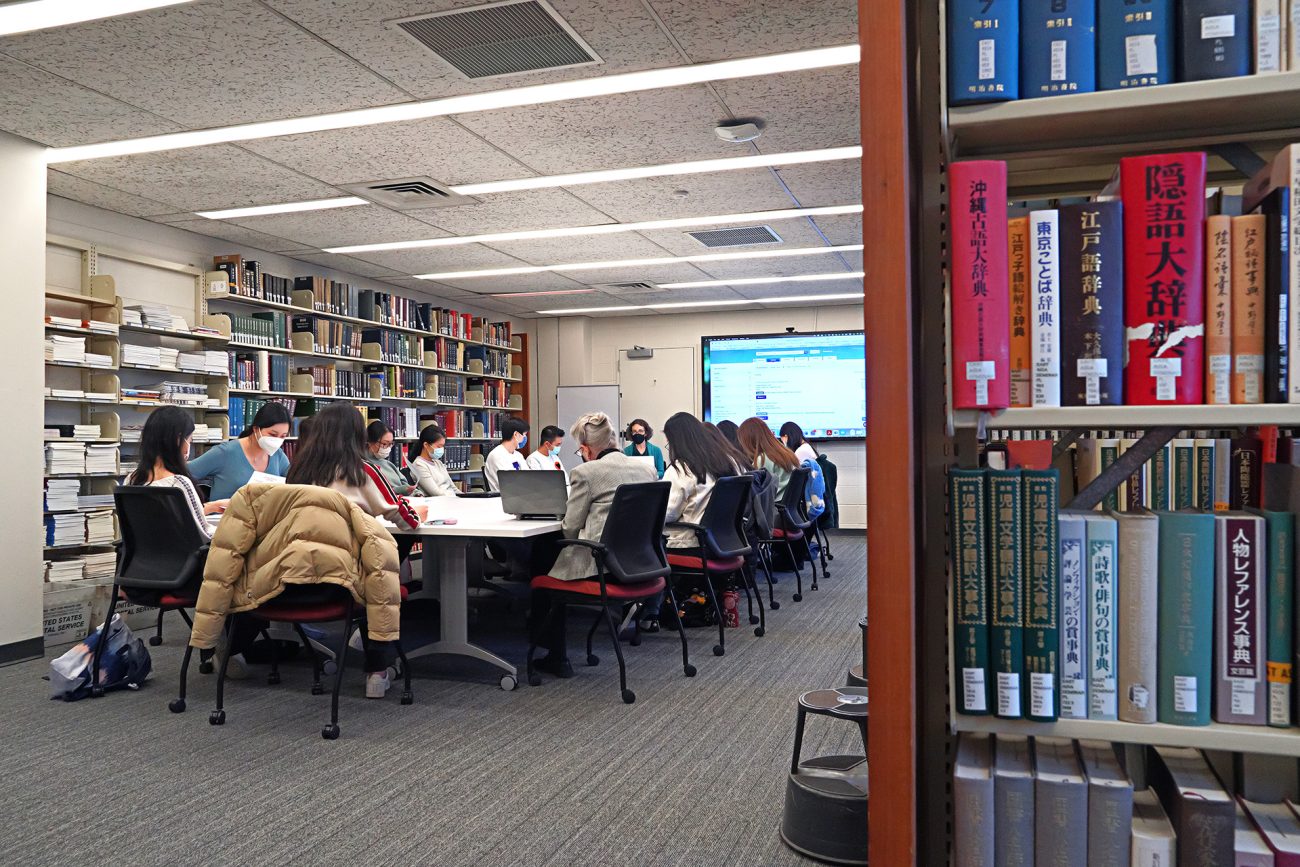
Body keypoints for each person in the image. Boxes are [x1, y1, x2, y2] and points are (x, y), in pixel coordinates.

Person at [285, 402, 426, 698]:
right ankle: (377, 670)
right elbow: (402, 517)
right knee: (381, 568)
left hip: (296, 572)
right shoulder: (360, 471)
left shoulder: (297, 472)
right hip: (347, 577)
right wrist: (418, 514)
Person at [528, 411, 656, 677]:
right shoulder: (646, 468)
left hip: (601, 566)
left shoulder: (586, 472)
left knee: (542, 553)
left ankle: (555, 653)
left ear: (586, 449)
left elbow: (570, 528)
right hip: (641, 563)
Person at [634, 412, 740, 632]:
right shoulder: (727, 463)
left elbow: (666, 513)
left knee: (640, 541)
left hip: (690, 543)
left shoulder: (681, 469)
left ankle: (646, 612)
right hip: (723, 543)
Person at [126, 406, 229, 537]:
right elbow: (204, 533)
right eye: (190, 439)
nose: (189, 446)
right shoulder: (178, 483)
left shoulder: (132, 479)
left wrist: (214, 506)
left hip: (147, 550)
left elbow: (163, 520)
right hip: (189, 550)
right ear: (178, 440)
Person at [188, 402, 291, 500]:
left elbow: (294, 483)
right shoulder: (225, 452)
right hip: (226, 512)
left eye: (283, 436)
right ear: (256, 429)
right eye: (273, 434)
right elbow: (183, 474)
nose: (277, 440)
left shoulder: (278, 455)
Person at [738, 417, 799, 497]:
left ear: (749, 440)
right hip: (787, 501)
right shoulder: (787, 452)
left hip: (774, 503)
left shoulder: (762, 459)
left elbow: (755, 493)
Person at [365, 419, 416, 497]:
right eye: (384, 444)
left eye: (391, 444)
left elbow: (406, 485)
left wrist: (416, 492)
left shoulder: (388, 464)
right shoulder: (364, 465)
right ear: (370, 442)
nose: (388, 448)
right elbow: (375, 493)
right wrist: (399, 490)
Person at [408, 424, 458, 496]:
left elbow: (453, 487)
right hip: (439, 501)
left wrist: (465, 497)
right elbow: (436, 493)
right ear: (426, 445)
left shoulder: (439, 463)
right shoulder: (419, 465)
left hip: (451, 499)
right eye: (439, 446)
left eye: (442, 446)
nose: (441, 449)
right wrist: (453, 495)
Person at [484, 418, 530, 492]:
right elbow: (508, 484)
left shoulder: (518, 455)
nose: (525, 439)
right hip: (503, 497)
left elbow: (529, 477)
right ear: (516, 434)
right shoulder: (496, 455)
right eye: (524, 435)